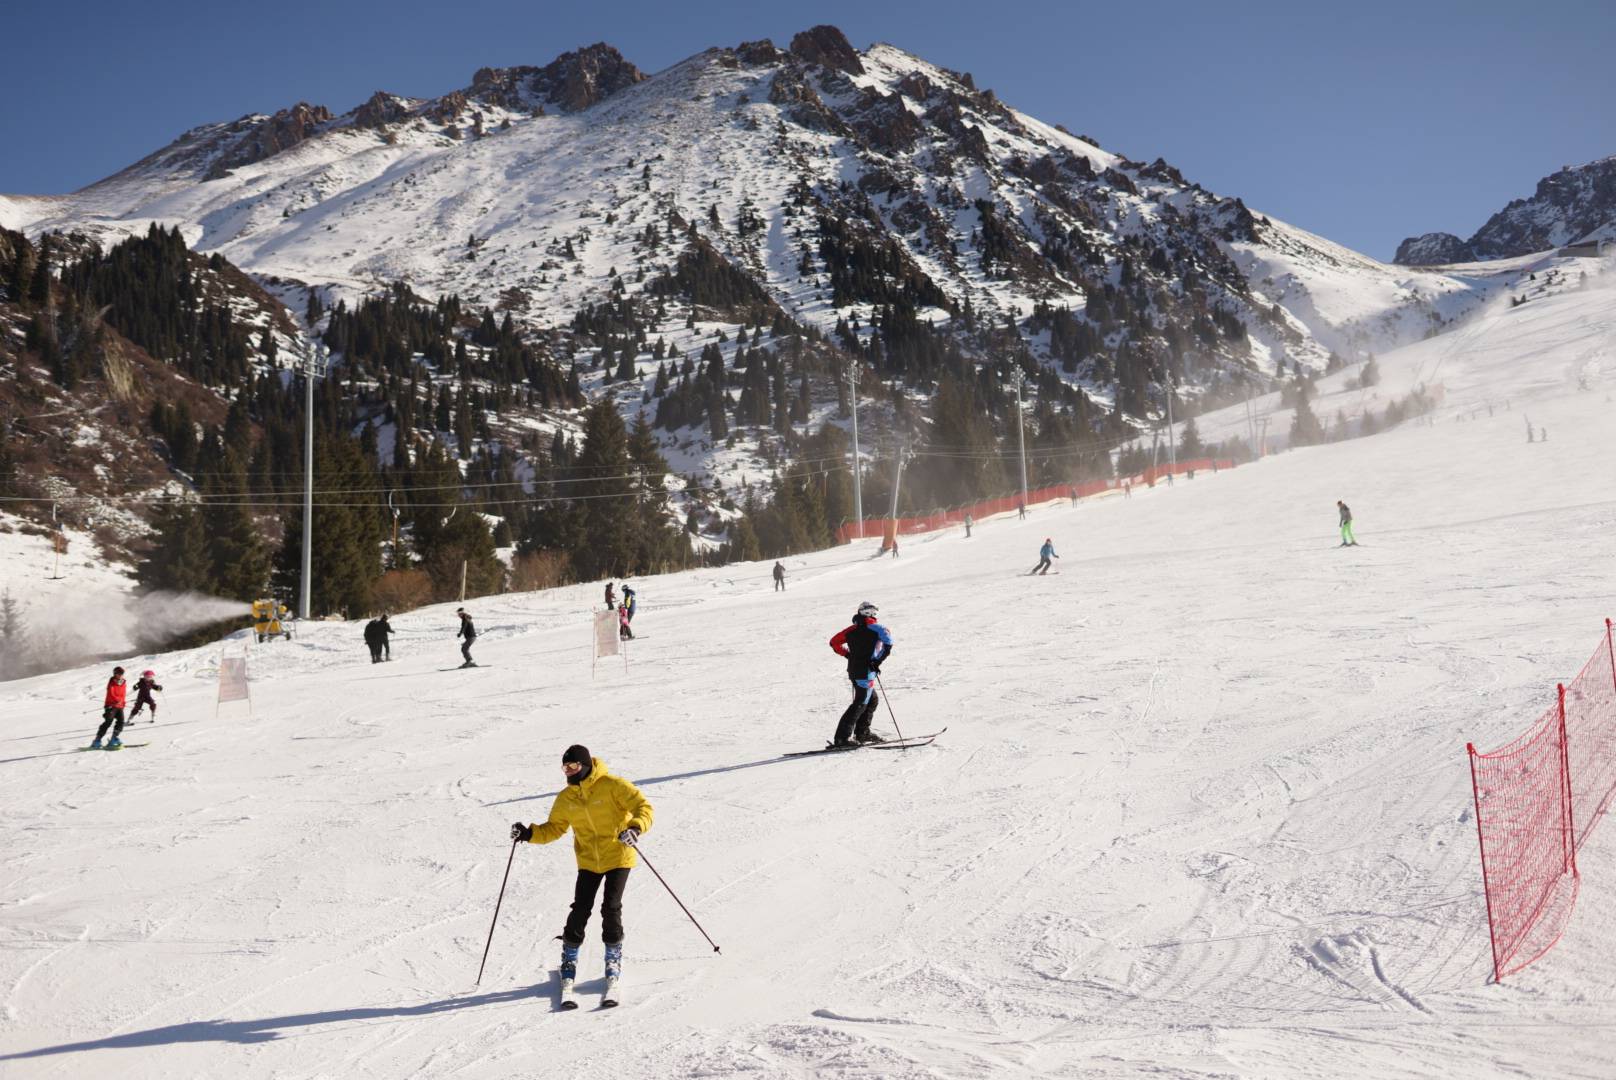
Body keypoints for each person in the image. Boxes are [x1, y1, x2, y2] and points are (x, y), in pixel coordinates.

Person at [511, 744, 653, 1006]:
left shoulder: (612, 785)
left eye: (573, 767)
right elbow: (554, 828)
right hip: (588, 860)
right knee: (580, 910)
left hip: (618, 855)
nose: (569, 771)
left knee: (611, 908)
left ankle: (612, 962)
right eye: (565, 768)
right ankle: (569, 961)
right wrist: (529, 834)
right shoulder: (567, 798)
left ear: (585, 765)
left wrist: (635, 828)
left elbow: (643, 807)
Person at [828, 601, 894, 747]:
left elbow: (834, 642)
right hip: (865, 672)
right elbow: (888, 644)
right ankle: (842, 738)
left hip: (854, 670)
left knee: (871, 700)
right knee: (861, 703)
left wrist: (848, 655)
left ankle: (862, 733)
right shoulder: (879, 628)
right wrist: (876, 661)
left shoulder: (851, 630)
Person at [90, 665, 128, 750]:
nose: (121, 675)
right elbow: (111, 693)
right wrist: (117, 700)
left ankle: (114, 739)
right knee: (108, 722)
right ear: (115, 674)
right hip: (111, 705)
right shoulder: (112, 682)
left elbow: (123, 694)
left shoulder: (124, 683)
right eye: (119, 673)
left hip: (119, 706)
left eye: (122, 674)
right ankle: (97, 740)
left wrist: (123, 702)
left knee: (121, 721)